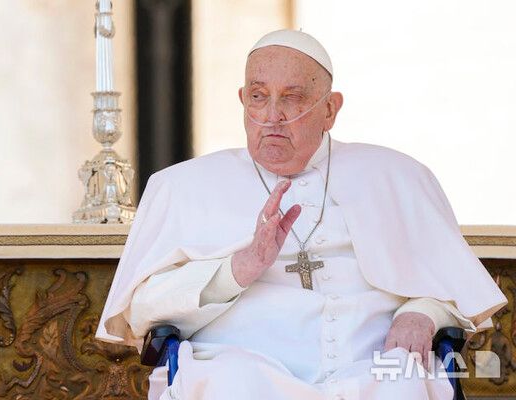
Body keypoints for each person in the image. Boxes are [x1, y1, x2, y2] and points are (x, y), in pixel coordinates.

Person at [96, 30, 507, 400]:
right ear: (242, 100)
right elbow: (141, 311)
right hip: (240, 366)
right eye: (258, 97)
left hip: (373, 367)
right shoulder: (181, 186)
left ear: (330, 109)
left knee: (403, 381)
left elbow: (455, 289)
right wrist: (237, 269)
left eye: (292, 98)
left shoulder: (398, 176)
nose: (272, 116)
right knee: (230, 384)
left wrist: (422, 313)